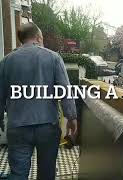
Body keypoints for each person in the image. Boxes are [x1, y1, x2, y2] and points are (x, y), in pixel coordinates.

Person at [0, 22, 77, 180]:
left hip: (18, 126)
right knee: (47, 173)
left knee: (18, 174)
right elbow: (65, 91)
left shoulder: (6, 61)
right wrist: (72, 117)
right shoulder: (53, 58)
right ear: (38, 37)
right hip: (47, 126)